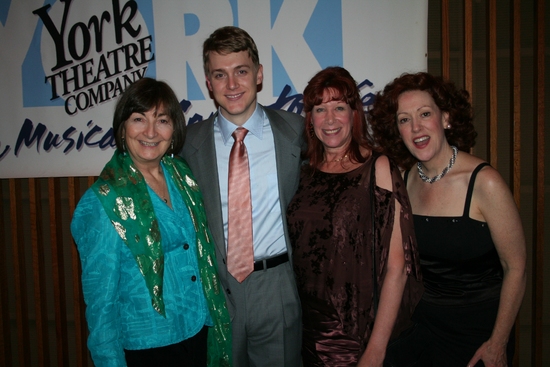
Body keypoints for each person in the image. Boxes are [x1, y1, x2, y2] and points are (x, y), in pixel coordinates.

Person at [71, 78, 231, 367]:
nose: (150, 131)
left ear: (174, 129)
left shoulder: (183, 176)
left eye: (162, 120)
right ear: (122, 128)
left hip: (197, 332)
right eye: (138, 119)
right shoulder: (103, 201)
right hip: (147, 348)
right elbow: (101, 306)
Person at [369, 72, 526, 367]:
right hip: (421, 328)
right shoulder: (403, 181)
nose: (416, 127)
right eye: (404, 119)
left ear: (446, 119)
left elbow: (516, 267)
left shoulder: (485, 182)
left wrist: (498, 342)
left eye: (425, 114)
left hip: (478, 334)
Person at [180, 26, 304, 366]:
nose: (232, 85)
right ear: (208, 82)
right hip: (215, 291)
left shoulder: (296, 132)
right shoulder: (187, 145)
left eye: (241, 71)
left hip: (276, 286)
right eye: (220, 74)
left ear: (259, 74)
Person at [286, 66, 423, 367]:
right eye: (320, 109)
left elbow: (398, 268)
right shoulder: (303, 171)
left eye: (339, 107)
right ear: (310, 119)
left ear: (354, 114)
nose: (330, 119)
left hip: (356, 335)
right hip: (305, 330)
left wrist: (376, 349)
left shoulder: (379, 168)